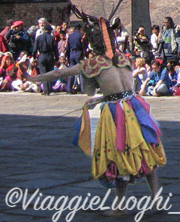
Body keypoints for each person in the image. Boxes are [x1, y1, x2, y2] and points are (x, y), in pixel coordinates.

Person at [27, 15, 165, 205]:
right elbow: (123, 90)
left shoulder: (92, 64)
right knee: (145, 150)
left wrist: (33, 79)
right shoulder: (123, 58)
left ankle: (120, 205)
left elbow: (61, 72)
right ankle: (154, 195)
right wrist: (101, 98)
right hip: (135, 106)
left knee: (118, 155)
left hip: (118, 113)